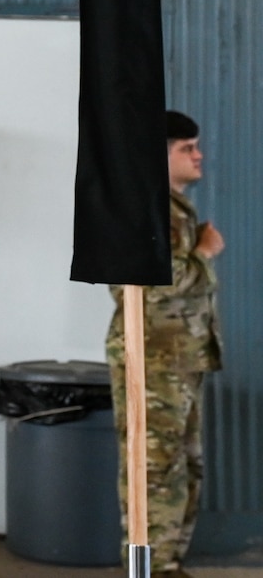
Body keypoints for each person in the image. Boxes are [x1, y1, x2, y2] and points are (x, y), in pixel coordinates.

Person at [107, 110, 224, 578]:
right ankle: (151, 568)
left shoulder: (171, 206)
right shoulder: (146, 210)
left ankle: (167, 563)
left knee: (181, 467)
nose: (199, 155)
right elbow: (146, 286)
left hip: (177, 359)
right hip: (152, 361)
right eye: (186, 148)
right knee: (153, 471)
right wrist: (203, 252)